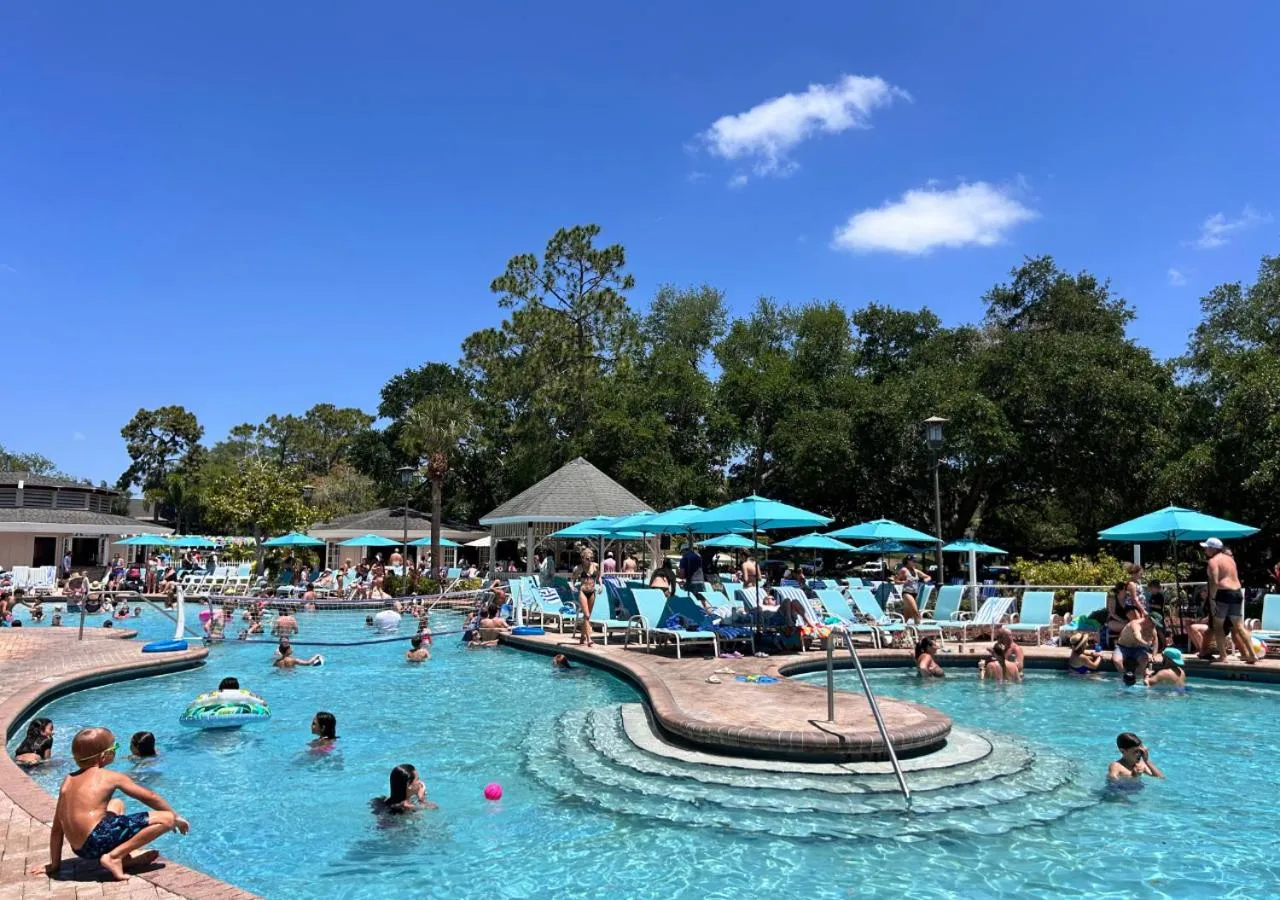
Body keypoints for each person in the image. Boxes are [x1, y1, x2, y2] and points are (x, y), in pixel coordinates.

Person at [34, 727, 189, 881]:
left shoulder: (68, 780)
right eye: (115, 747)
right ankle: (115, 856)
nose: (116, 750)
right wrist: (177, 816)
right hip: (97, 840)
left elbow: (57, 828)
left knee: (117, 803)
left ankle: (125, 859)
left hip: (80, 849)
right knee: (167, 819)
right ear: (103, 756)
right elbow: (150, 796)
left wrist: (54, 865)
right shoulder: (110, 777)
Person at [1202, 538, 1256, 663]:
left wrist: (1212, 599)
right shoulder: (1230, 560)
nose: (1205, 550)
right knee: (1239, 626)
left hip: (1223, 594)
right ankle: (1252, 654)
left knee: (1217, 626)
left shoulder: (1213, 561)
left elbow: (1215, 582)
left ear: (1213, 549)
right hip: (1237, 593)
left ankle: (1223, 656)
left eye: (1207, 547)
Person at [1113, 606, 1157, 685]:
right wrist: (1147, 645)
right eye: (1153, 623)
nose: (1154, 625)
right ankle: (1125, 678)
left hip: (1138, 648)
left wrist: (1154, 655)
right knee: (1117, 660)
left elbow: (1155, 640)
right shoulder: (1135, 624)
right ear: (1148, 619)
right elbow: (1137, 637)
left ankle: (1136, 679)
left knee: (1144, 660)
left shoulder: (1152, 627)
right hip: (1123, 647)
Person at [577, 574, 597, 648]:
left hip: (592, 592)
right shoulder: (579, 568)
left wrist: (601, 585)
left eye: (590, 560)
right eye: (588, 560)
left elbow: (599, 577)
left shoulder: (595, 567)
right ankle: (589, 639)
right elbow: (573, 578)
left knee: (587, 617)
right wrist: (572, 586)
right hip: (583, 591)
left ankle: (582, 636)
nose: (589, 561)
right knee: (587, 615)